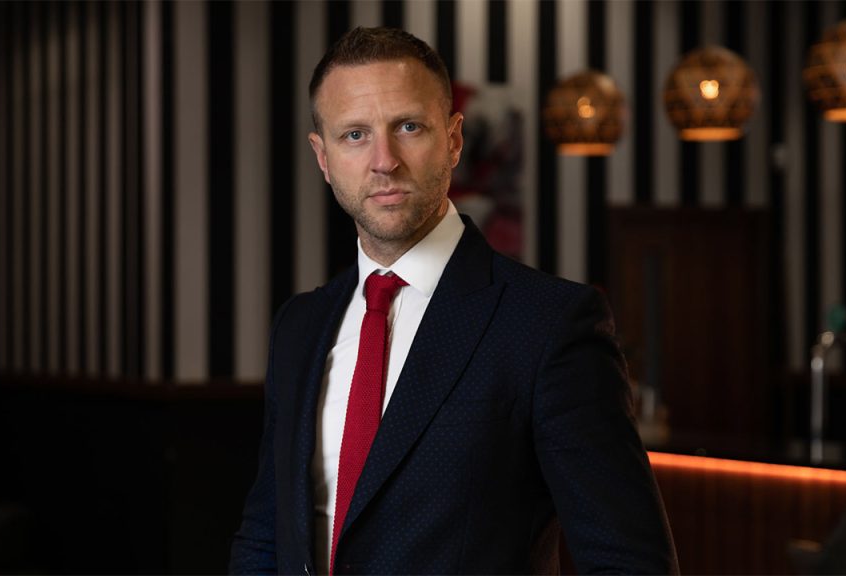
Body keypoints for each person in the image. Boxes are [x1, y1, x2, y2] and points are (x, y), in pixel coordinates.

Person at [230, 27, 678, 575]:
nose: (384, 160)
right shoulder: (299, 326)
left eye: (409, 127)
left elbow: (628, 562)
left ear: (454, 139)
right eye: (354, 135)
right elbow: (266, 535)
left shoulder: (548, 325)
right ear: (322, 157)